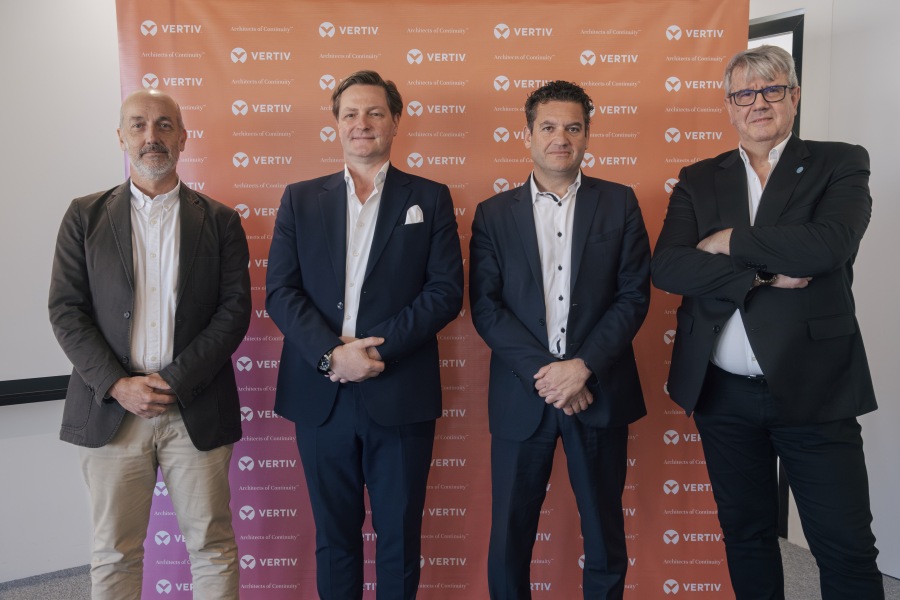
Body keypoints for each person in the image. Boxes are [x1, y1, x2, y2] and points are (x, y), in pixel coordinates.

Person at [651, 45, 884, 599]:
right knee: (746, 536)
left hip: (815, 387)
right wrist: (759, 275)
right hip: (723, 394)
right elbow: (669, 265)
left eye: (772, 89)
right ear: (730, 107)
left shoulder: (839, 162)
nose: (758, 102)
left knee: (845, 547)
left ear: (794, 96)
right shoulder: (699, 178)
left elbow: (827, 246)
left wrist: (729, 240)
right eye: (744, 93)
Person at [265, 70, 464, 599]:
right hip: (320, 392)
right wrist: (333, 356)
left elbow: (444, 292)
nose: (362, 123)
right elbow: (280, 292)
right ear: (336, 124)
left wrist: (374, 353)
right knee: (335, 539)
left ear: (395, 121)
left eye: (375, 112)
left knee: (399, 538)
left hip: (399, 389)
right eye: (350, 113)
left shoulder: (431, 198)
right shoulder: (300, 199)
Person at [48, 89, 251, 599]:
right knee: (114, 552)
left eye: (164, 125)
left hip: (195, 407)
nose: (151, 136)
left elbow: (233, 313)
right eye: (138, 125)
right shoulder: (84, 216)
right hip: (111, 410)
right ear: (121, 137)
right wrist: (119, 385)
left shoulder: (221, 221)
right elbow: (66, 311)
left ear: (183, 137)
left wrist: (174, 381)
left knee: (212, 547)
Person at [469, 80, 650, 599]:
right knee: (510, 537)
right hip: (522, 395)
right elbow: (486, 307)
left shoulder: (619, 203)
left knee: (605, 535)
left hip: (598, 391)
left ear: (587, 135)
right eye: (548, 127)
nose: (560, 138)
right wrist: (549, 374)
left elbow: (633, 296)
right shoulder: (493, 214)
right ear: (527, 134)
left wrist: (582, 367)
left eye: (573, 127)